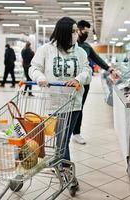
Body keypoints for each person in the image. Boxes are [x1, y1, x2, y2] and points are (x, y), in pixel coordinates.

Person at [29, 17, 92, 166]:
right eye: (73, 31)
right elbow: (34, 67)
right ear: (63, 33)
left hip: (73, 103)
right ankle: (62, 165)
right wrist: (40, 77)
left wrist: (79, 79)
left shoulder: (81, 52)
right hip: (53, 102)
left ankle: (65, 169)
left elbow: (87, 71)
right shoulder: (46, 50)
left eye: (77, 31)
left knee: (62, 138)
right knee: (61, 138)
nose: (77, 34)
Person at [71, 20, 120, 144]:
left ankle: (76, 133)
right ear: (78, 29)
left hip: (84, 83)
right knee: (67, 109)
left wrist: (110, 69)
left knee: (79, 108)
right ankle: (65, 131)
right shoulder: (70, 44)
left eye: (88, 32)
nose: (86, 34)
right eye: (84, 32)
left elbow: (97, 59)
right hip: (69, 82)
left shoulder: (87, 47)